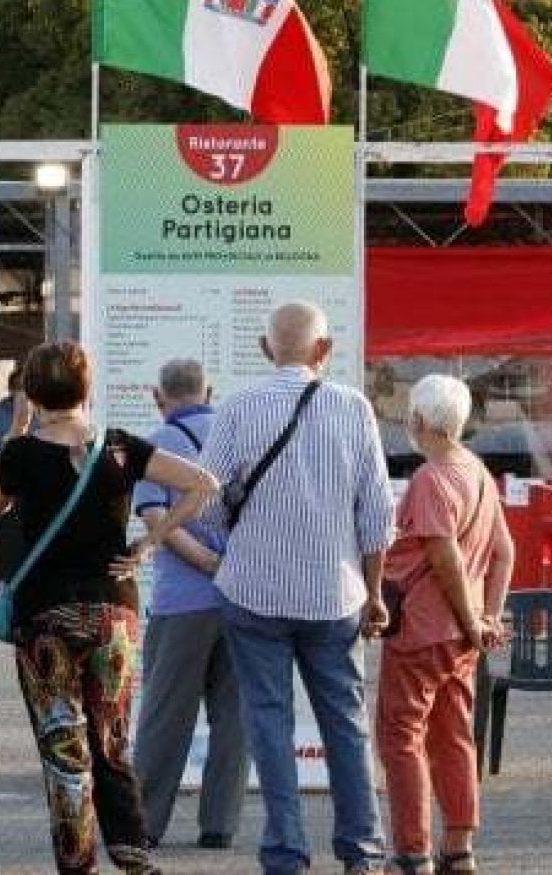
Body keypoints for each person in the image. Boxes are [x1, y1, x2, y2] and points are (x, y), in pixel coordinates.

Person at [0, 340, 217, 875]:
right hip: (114, 612)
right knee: (110, 740)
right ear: (86, 389)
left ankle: (78, 863)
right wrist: (148, 544)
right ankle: (134, 857)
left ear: (34, 392)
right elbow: (203, 482)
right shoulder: (119, 448)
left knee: (63, 745)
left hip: (46, 615)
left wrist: (19, 424)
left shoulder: (20, 452)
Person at [197, 302, 393, 875]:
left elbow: (206, 501)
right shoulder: (353, 408)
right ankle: (362, 850)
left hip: (253, 590)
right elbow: (377, 515)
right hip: (335, 594)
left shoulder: (236, 407)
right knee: (346, 722)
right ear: (323, 350)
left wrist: (238, 525)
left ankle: (285, 850)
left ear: (265, 349)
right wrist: (375, 591)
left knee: (268, 720)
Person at [377, 375, 514, 875]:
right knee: (454, 735)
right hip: (462, 636)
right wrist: (487, 616)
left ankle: (412, 851)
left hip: (423, 629)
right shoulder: (477, 471)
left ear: (417, 421)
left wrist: (470, 619)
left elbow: (443, 556)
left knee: (401, 734)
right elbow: (504, 552)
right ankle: (459, 845)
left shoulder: (430, 478)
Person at [130, 358, 248, 851]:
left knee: (164, 716)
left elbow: (156, 516)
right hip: (243, 599)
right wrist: (229, 567)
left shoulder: (157, 443)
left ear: (159, 397)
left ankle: (145, 824)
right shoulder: (240, 439)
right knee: (234, 716)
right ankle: (220, 824)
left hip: (182, 602)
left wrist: (204, 562)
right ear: (210, 390)